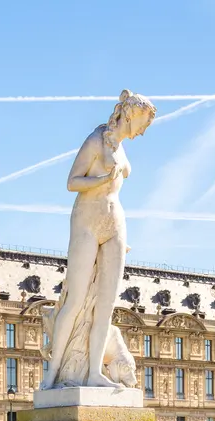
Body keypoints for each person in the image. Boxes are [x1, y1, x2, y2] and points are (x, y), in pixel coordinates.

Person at [42, 90, 157, 389]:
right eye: (144, 123)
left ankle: (94, 372)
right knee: (76, 300)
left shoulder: (121, 148)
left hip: (115, 223)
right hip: (87, 222)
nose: (144, 131)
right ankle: (52, 374)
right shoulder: (95, 141)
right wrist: (103, 180)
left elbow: (124, 175)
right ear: (130, 114)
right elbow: (72, 182)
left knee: (106, 305)